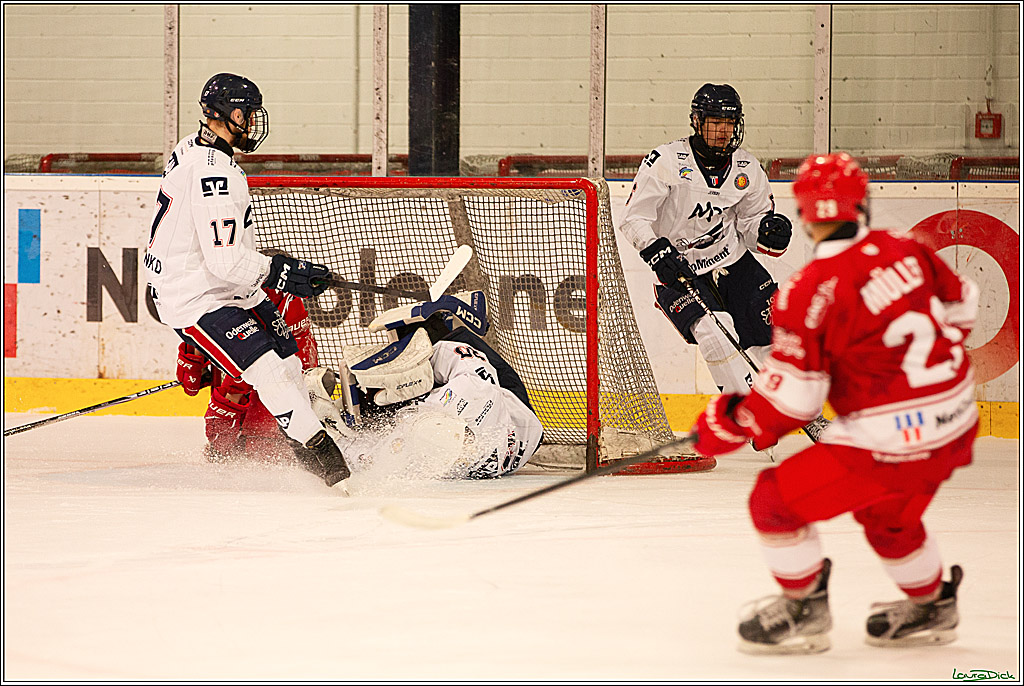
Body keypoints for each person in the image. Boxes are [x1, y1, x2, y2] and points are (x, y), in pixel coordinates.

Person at [690, 152, 978, 654]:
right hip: (955, 425)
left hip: (889, 440)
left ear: (804, 216)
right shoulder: (907, 248)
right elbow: (964, 304)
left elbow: (794, 401)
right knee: (890, 519)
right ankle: (933, 603)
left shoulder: (807, 293)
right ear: (861, 204)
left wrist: (730, 422)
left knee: (773, 502)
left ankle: (804, 608)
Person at [145, 72, 349, 487]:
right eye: (249, 114)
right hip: (194, 296)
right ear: (229, 113)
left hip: (228, 287)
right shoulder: (213, 177)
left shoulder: (193, 147)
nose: (253, 124)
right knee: (268, 371)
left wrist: (280, 272)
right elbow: (225, 261)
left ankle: (303, 450)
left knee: (290, 363)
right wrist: (284, 272)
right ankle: (332, 468)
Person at [619, 83, 794, 399]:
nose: (722, 131)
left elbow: (751, 226)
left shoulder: (747, 167)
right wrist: (656, 250)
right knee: (714, 332)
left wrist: (767, 231)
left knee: (772, 338)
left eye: (728, 123)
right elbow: (634, 218)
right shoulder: (667, 161)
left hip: (733, 262)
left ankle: (790, 409)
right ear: (697, 122)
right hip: (680, 269)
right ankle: (744, 409)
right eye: (715, 122)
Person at [307, 291, 544, 480]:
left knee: (389, 409)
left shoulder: (419, 450)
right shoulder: (473, 394)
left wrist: (335, 438)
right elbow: (469, 362)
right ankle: (431, 332)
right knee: (452, 348)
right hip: (521, 420)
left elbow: (368, 458)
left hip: (491, 434)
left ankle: (420, 346)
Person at [175, 286, 320, 463]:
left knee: (262, 448)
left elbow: (251, 365)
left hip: (275, 361)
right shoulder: (238, 282)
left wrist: (226, 404)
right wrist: (196, 356)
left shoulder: (248, 292)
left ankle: (289, 443)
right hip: (280, 354)